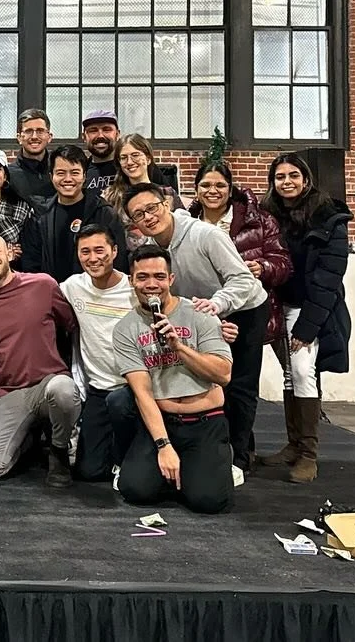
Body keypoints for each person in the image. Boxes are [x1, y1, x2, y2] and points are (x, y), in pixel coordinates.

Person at [123, 182, 268, 477]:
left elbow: (244, 280)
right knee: (205, 380)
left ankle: (239, 459)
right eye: (139, 214)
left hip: (241, 308)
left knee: (237, 385)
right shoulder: (150, 248)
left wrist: (217, 307)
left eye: (151, 208)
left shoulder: (206, 235)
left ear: (166, 204)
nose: (148, 217)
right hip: (201, 314)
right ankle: (212, 450)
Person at [113, 246, 234, 514]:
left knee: (208, 502)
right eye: (142, 277)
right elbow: (142, 393)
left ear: (171, 279)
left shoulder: (200, 313)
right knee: (135, 490)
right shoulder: (125, 329)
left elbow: (223, 374)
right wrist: (163, 445)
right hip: (163, 422)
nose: (151, 284)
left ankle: (212, 462)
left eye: (159, 276)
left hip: (205, 421)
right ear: (131, 281)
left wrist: (179, 347)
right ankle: (173, 469)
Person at [257, 153, 352, 484]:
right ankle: (293, 445)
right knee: (288, 374)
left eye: (293, 175)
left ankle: (309, 454)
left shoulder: (329, 218)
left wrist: (307, 327)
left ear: (306, 179)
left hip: (309, 308)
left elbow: (328, 279)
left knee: (301, 371)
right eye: (280, 176)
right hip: (278, 307)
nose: (287, 182)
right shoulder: (268, 215)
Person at [0, 233, 79, 486]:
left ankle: (58, 451)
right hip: (9, 392)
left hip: (48, 384)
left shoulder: (43, 284)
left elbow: (70, 325)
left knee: (63, 390)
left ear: (9, 253)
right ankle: (27, 438)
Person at [59, 224, 139, 483]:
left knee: (120, 405)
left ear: (114, 251)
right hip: (98, 389)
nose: (92, 258)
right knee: (89, 471)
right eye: (85, 252)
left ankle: (128, 456)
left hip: (134, 388)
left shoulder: (134, 289)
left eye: (99, 250)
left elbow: (176, 306)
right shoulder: (73, 286)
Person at [190, 159, 291, 346]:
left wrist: (263, 267)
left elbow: (284, 265)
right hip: (205, 316)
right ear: (196, 190)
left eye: (220, 185)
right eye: (205, 185)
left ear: (230, 191)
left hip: (250, 314)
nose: (212, 191)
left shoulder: (261, 221)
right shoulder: (187, 225)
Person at [19, 145, 127, 284]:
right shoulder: (40, 215)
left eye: (75, 173)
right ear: (51, 177)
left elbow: (118, 260)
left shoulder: (104, 213)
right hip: (52, 292)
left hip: (95, 292)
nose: (68, 179)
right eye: (61, 173)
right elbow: (31, 263)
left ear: (84, 176)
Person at [102, 134, 185, 253]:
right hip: (126, 260)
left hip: (164, 258)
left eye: (135, 155)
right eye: (124, 157)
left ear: (148, 158)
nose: (129, 162)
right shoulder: (110, 196)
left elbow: (182, 229)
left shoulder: (167, 194)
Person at [7, 108, 54, 204]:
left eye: (40, 131)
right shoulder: (8, 175)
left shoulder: (59, 171)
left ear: (49, 137)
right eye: (28, 131)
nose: (34, 137)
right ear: (19, 138)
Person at [81, 109, 120, 193]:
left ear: (117, 134)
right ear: (84, 137)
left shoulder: (129, 169)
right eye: (93, 131)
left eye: (107, 130)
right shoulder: (79, 173)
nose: (100, 136)